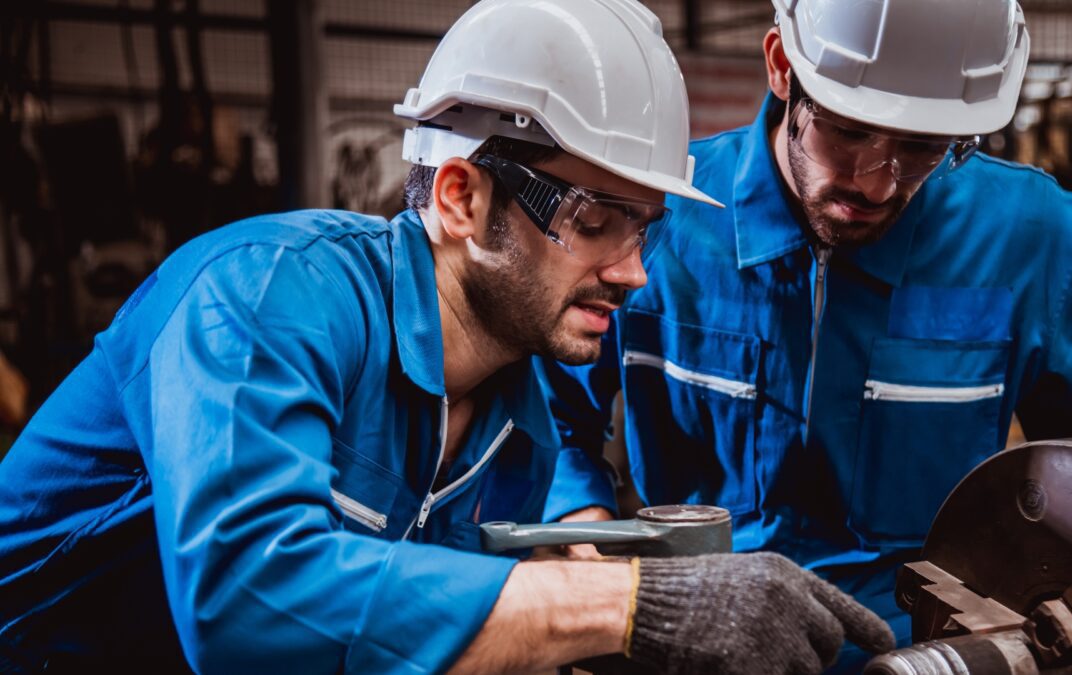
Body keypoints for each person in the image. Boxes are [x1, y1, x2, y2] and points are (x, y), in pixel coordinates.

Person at [0, 1, 895, 673]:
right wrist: (627, 603)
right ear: (462, 197)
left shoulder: (517, 423)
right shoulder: (267, 296)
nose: (635, 273)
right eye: (595, 221)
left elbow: (405, 635)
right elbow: (244, 598)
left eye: (645, 229)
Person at [540, 0, 1072, 671]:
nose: (876, 183)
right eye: (847, 132)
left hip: (927, 645)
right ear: (782, 67)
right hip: (700, 634)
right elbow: (548, 418)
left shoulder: (1031, 241)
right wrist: (592, 546)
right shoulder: (661, 216)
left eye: (922, 147)